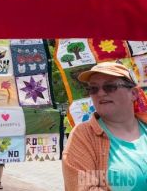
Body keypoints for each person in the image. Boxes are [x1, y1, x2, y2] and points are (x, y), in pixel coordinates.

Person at [62, 62, 147, 190]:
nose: (100, 93)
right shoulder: (83, 135)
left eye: (110, 86)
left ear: (134, 93)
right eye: (93, 89)